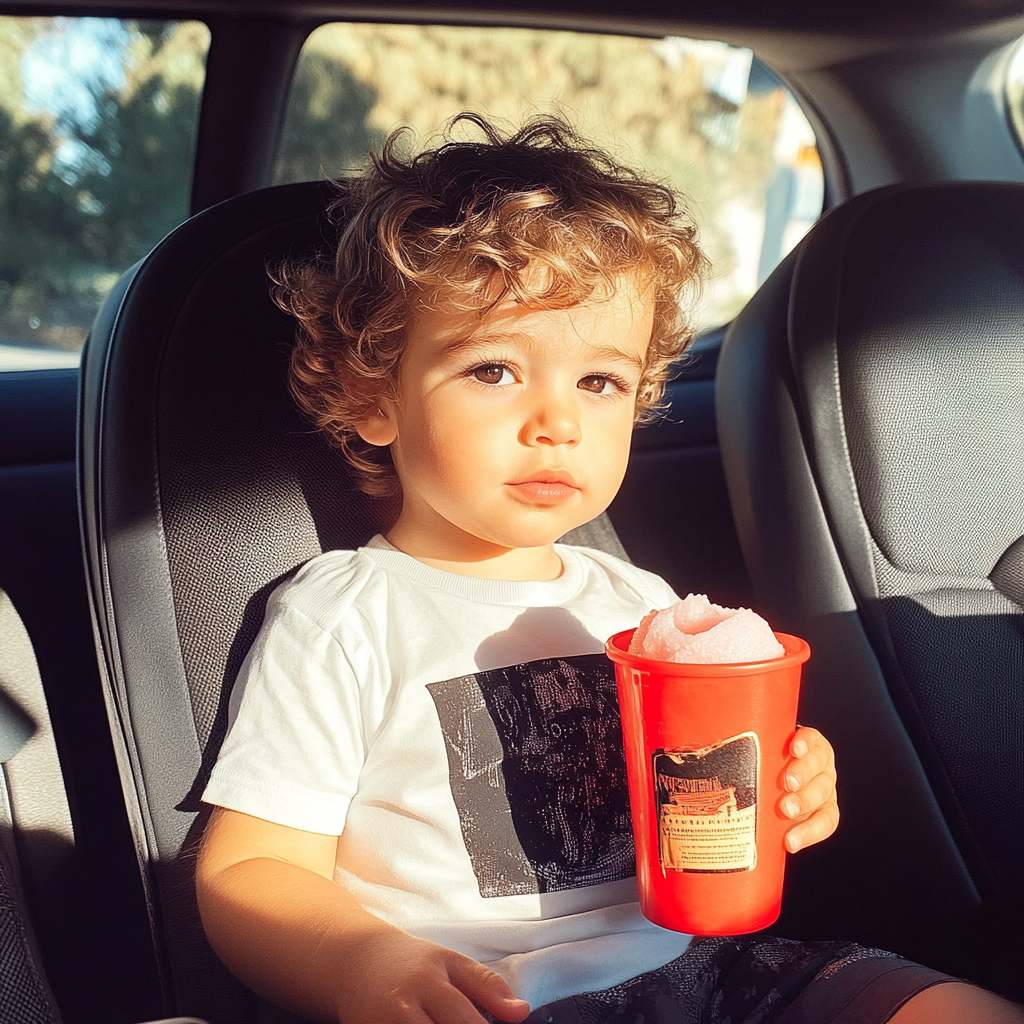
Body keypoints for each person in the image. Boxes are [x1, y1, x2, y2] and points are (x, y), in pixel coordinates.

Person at [195, 116, 1023, 1024]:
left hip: (712, 969)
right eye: (495, 369)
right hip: (492, 996)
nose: (558, 421)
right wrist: (359, 964)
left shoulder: (643, 604)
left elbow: (704, 785)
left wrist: (789, 786)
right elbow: (251, 868)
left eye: (600, 382)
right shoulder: (346, 614)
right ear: (372, 400)